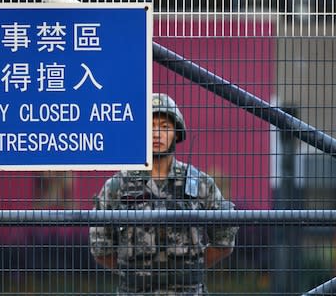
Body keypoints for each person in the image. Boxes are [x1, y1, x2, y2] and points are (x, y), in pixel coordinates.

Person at [89, 93, 238, 295]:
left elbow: (224, 240)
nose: (156, 134)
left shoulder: (198, 183)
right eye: (150, 127)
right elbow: (101, 248)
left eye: (165, 127)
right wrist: (136, 273)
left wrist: (188, 271)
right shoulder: (118, 185)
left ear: (176, 134)